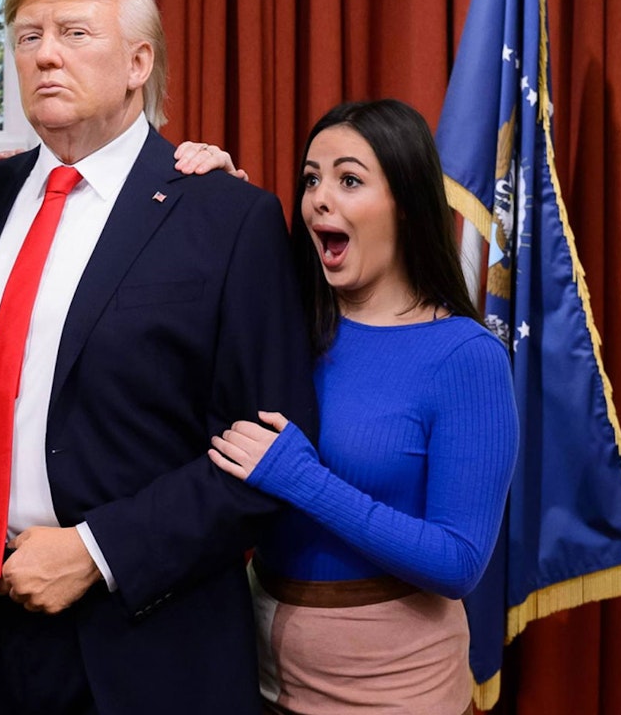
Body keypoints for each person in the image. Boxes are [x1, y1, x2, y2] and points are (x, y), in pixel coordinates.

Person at [0, 0, 318, 713]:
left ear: (138, 62)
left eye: (72, 32)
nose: (45, 54)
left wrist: (98, 553)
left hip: (143, 649)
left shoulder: (227, 218)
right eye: (28, 36)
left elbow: (272, 449)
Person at [209, 99, 519, 715]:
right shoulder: (290, 325)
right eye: (311, 179)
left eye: (349, 180)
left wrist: (303, 480)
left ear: (406, 203)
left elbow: (458, 562)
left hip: (394, 689)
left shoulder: (466, 356)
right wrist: (209, 198)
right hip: (255, 665)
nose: (320, 198)